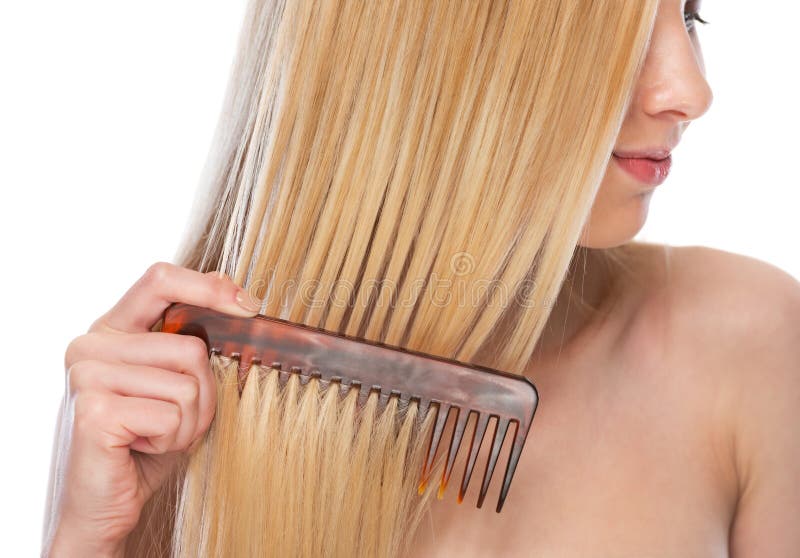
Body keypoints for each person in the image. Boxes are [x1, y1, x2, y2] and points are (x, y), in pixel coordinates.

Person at [43, 0, 800, 556]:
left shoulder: (748, 345)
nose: (690, 93)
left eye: (691, 15)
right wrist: (85, 541)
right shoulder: (179, 408)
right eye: (620, 29)